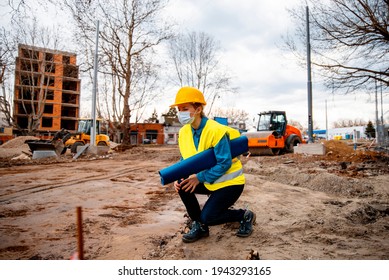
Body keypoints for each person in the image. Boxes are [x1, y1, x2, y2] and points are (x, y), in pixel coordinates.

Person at [171, 86, 256, 243]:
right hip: (210, 181)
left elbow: (224, 163)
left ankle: (244, 215)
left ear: (198, 109)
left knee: (209, 216)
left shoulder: (215, 130)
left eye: (184, 108)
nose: (180, 112)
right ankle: (200, 226)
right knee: (182, 185)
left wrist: (199, 178)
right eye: (179, 109)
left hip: (230, 184)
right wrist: (179, 177)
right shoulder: (184, 132)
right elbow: (186, 160)